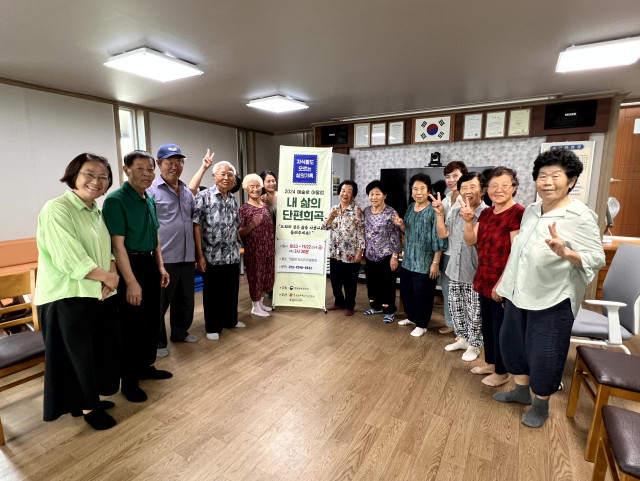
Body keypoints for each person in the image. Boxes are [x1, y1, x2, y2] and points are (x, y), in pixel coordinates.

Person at [494, 149, 605, 428]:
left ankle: (540, 404)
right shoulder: (531, 210)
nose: (547, 182)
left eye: (556, 176)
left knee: (545, 353)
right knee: (512, 344)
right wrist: (504, 283)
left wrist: (566, 252)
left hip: (553, 297)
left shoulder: (580, 215)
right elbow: (518, 252)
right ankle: (520, 391)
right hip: (519, 292)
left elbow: (597, 258)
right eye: (542, 176)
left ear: (571, 181)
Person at [34, 153, 120, 430]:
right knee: (78, 357)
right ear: (74, 175)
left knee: (94, 353)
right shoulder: (57, 208)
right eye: (89, 174)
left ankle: (87, 399)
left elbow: (106, 249)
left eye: (103, 176)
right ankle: (88, 408)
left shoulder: (95, 210)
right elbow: (70, 259)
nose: (96, 181)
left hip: (97, 293)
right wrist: (109, 278)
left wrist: (111, 276)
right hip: (66, 296)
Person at [103, 150, 172, 404]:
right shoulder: (116, 200)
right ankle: (129, 382)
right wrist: (131, 282)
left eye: (150, 169)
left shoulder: (149, 198)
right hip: (129, 265)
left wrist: (161, 266)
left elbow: (155, 236)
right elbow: (117, 246)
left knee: (151, 320)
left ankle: (145, 367)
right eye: (140, 169)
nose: (147, 174)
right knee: (132, 326)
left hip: (149, 263)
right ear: (126, 170)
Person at [463, 167, 524, 386]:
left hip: (503, 283)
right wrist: (469, 221)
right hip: (484, 279)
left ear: (513, 187)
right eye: (493, 186)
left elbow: (516, 254)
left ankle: (502, 371)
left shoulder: (518, 213)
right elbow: (471, 240)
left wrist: (502, 283)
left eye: (504, 185)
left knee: (501, 329)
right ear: (487, 190)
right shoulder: (487, 213)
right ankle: (490, 362)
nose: (498, 190)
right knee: (487, 326)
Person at [148, 143, 200, 359]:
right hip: (164, 258)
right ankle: (158, 341)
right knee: (160, 303)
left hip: (187, 256)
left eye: (179, 162)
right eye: (170, 162)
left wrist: (197, 253)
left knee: (185, 299)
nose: (175, 166)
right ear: (159, 164)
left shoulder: (187, 191)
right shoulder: (151, 191)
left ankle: (180, 332)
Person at [432, 172, 487, 360]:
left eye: (473, 187)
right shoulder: (455, 211)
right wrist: (440, 214)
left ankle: (474, 346)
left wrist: (470, 220)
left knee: (475, 312)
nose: (468, 191)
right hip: (455, 269)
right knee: (457, 307)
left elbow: (472, 241)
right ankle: (462, 338)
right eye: (464, 188)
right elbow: (443, 234)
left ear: (483, 190)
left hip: (475, 273)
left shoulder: (486, 214)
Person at [193, 160, 246, 340]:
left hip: (231, 254)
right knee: (213, 293)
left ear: (234, 179)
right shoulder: (204, 196)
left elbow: (235, 226)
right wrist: (199, 254)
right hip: (211, 255)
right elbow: (197, 226)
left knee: (231, 290)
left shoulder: (232, 198)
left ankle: (230, 320)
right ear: (214, 176)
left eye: (230, 174)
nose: (226, 177)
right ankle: (213, 327)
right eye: (222, 174)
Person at [393, 173, 447, 337]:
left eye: (422, 188)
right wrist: (401, 224)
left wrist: (435, 263)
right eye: (415, 189)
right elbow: (407, 231)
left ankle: (422, 324)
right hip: (409, 259)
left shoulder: (433, 210)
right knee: (408, 292)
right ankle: (412, 317)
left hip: (425, 262)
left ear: (428, 190)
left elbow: (438, 238)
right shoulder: (410, 207)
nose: (418, 192)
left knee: (423, 295)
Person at [324, 180, 365, 316]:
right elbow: (325, 227)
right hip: (335, 252)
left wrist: (360, 251)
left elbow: (361, 232)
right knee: (335, 280)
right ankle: (338, 302)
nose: (345, 194)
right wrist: (330, 217)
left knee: (350, 282)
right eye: (343, 190)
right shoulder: (334, 209)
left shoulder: (356, 210)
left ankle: (349, 305)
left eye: (349, 191)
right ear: (339, 193)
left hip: (350, 253)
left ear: (353, 195)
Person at [363, 180, 402, 323]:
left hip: (386, 255)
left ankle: (389, 311)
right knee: (372, 283)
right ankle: (376, 307)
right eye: (371, 194)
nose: (374, 197)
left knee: (387, 284)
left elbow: (396, 235)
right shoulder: (366, 211)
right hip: (370, 255)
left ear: (384, 195)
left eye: (377, 194)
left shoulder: (391, 212)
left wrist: (395, 256)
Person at [239, 174, 275, 316]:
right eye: (251, 187)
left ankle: (260, 302)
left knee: (268, 277)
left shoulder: (265, 206)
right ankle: (255, 306)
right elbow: (240, 233)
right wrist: (252, 225)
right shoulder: (244, 209)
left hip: (269, 248)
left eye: (257, 186)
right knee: (256, 277)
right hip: (254, 250)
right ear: (246, 189)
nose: (255, 189)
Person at [439, 161, 468, 335]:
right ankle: (451, 323)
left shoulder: (467, 198)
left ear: (463, 176)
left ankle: (462, 329)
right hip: (446, 251)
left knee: (462, 292)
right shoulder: (445, 199)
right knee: (447, 290)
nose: (451, 180)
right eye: (448, 177)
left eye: (455, 176)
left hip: (463, 252)